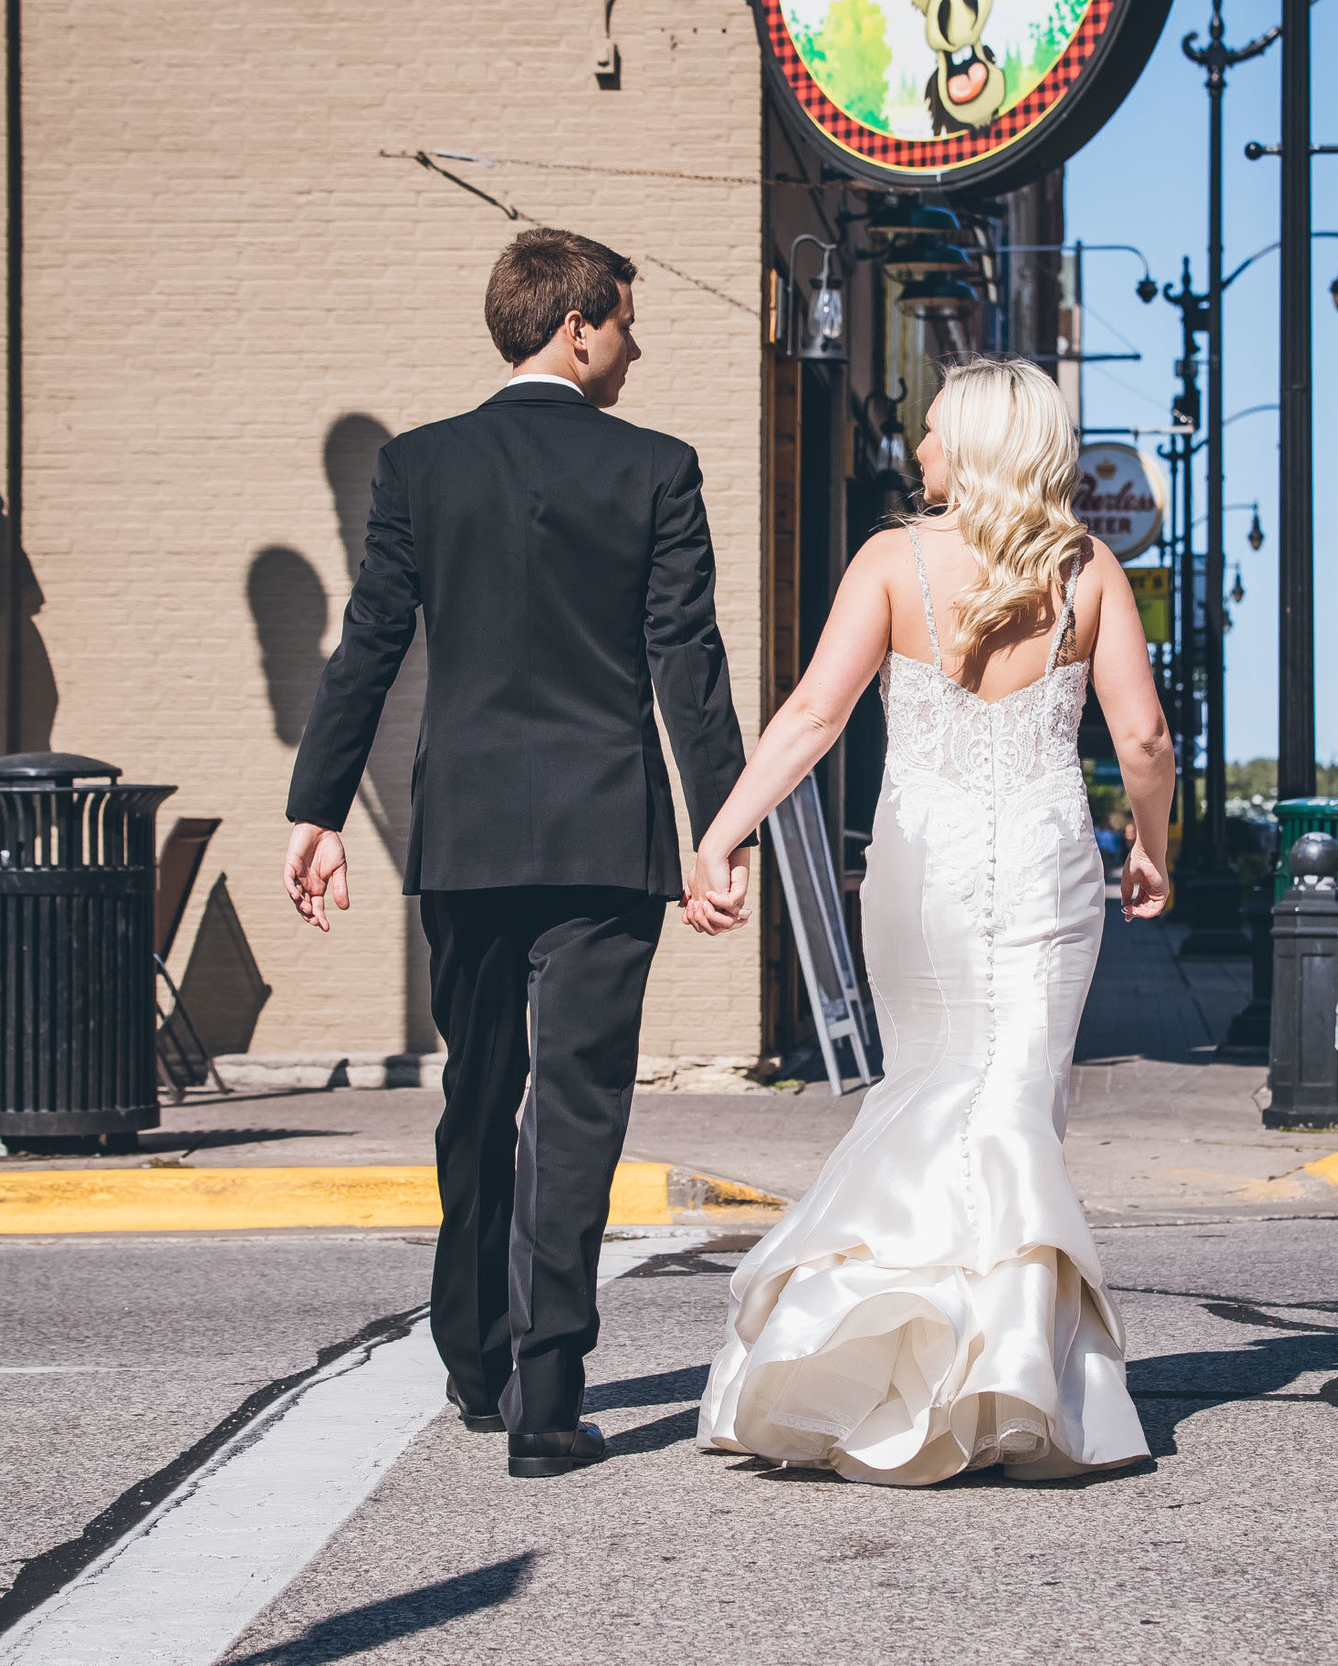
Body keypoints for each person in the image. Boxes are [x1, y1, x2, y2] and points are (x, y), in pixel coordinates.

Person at [283, 227, 747, 1479]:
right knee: (577, 1111)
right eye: (628, 323)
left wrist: (314, 810)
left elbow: (367, 643)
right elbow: (685, 661)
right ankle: (548, 1404)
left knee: (479, 1098)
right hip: (605, 835)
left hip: (469, 832)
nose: (637, 346)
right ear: (579, 324)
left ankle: (474, 1361)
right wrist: (722, 824)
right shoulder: (658, 469)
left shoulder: (421, 467)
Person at [684, 356, 1175, 1486]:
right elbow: (1141, 740)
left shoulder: (890, 563)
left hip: (920, 865)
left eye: (936, 430)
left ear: (981, 444)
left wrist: (724, 832)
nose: (917, 450)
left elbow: (813, 714)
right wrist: (1153, 843)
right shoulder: (1087, 567)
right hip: (1049, 867)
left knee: (931, 1086)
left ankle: (876, 1352)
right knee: (1009, 1100)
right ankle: (1006, 1375)